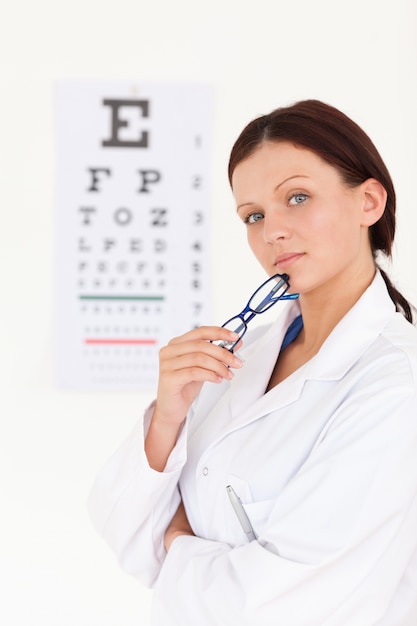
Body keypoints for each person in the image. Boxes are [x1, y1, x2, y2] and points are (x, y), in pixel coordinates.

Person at [88, 99, 417, 625]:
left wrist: (174, 541)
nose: (272, 232)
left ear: (369, 202)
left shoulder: (396, 384)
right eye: (255, 216)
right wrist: (169, 417)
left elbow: (285, 604)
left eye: (299, 197)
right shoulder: (244, 352)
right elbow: (122, 530)